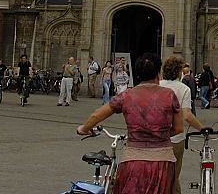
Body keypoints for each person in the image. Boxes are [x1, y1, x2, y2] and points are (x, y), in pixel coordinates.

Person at [77, 53, 182, 194]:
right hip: (162, 161)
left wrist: (84, 128)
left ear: (138, 74)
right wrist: (159, 134)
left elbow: (97, 115)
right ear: (158, 73)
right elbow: (178, 128)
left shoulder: (126, 95)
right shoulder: (169, 95)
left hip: (133, 160)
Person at [160, 56, 204, 194]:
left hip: (155, 138)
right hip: (175, 139)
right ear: (179, 71)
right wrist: (202, 129)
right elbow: (187, 115)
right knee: (172, 177)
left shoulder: (157, 85)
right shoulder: (183, 89)